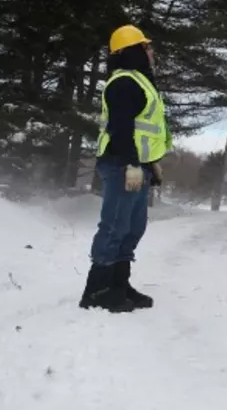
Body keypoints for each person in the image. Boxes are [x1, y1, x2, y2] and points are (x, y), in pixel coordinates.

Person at [79, 24, 172, 313]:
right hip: (121, 164)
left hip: (136, 165)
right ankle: (97, 289)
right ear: (132, 51)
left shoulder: (140, 81)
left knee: (133, 228)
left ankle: (119, 285)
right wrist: (132, 163)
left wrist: (150, 164)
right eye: (145, 46)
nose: (150, 51)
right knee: (115, 226)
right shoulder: (124, 83)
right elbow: (121, 130)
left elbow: (145, 132)